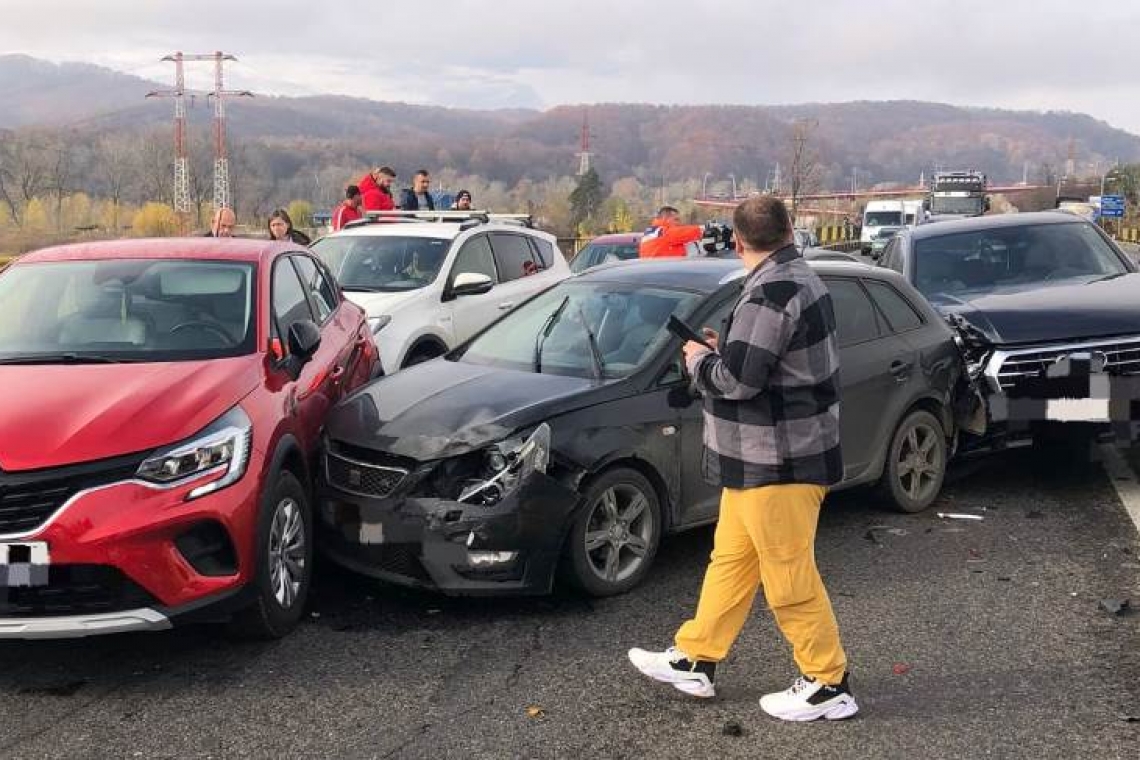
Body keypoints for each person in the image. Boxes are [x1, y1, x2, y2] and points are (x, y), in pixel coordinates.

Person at [627, 196, 856, 723]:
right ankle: (697, 657)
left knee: (788, 575)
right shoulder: (800, 279)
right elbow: (768, 362)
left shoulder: (770, 294)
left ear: (736, 240)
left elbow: (737, 381)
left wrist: (700, 360)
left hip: (778, 459)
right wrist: (724, 346)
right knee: (731, 561)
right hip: (770, 457)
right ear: (790, 231)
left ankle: (828, 682)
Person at [639, 206, 703, 258]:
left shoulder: (652, 231)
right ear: (665, 218)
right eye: (676, 219)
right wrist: (702, 229)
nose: (679, 223)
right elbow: (685, 233)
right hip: (666, 270)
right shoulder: (663, 232)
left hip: (654, 269)